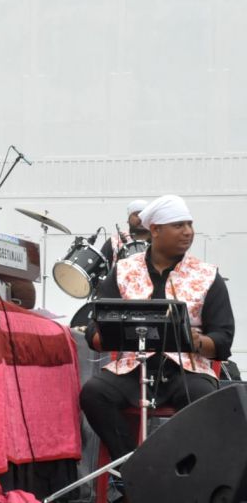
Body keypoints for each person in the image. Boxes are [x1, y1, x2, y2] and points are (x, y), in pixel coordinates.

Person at [80, 195, 235, 466]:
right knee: (94, 393)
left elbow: (223, 337)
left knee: (205, 400)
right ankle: (132, 468)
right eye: (178, 225)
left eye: (189, 224)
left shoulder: (208, 274)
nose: (188, 232)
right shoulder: (123, 271)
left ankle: (183, 473)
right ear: (155, 230)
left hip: (186, 370)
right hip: (132, 368)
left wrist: (197, 341)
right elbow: (95, 325)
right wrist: (102, 336)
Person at [99, 199, 151, 267]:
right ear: (128, 219)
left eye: (145, 215)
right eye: (137, 214)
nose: (141, 218)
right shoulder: (114, 242)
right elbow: (101, 270)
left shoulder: (159, 240)